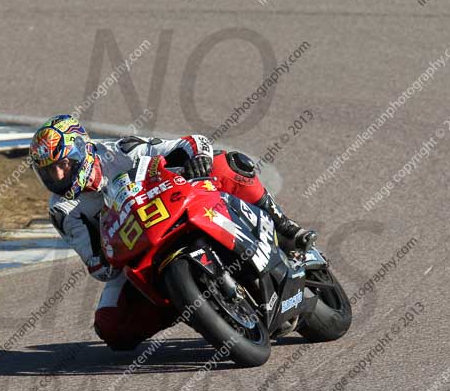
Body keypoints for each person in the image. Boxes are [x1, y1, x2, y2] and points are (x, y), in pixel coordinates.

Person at [29, 114, 316, 350]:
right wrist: (107, 248)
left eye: (62, 165)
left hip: (174, 207)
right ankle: (185, 303)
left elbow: (191, 144)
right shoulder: (63, 211)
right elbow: (100, 269)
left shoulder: (120, 151)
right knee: (111, 328)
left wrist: (198, 159)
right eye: (48, 171)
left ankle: (283, 225)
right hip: (134, 252)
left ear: (81, 149)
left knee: (225, 164)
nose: (57, 176)